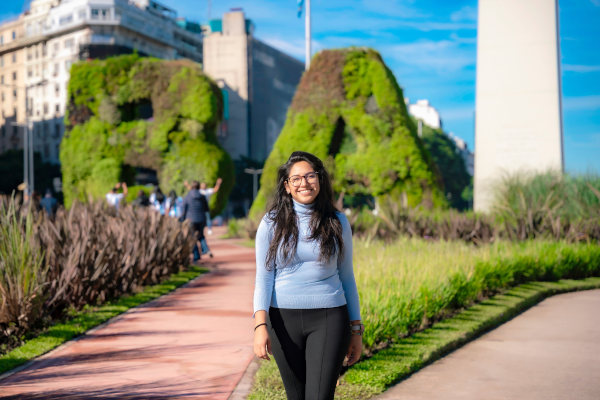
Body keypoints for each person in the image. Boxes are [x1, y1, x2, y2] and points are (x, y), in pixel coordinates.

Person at [253, 151, 363, 400]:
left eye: (310, 176)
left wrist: (356, 330)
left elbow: (347, 277)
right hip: (281, 320)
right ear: (287, 186)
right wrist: (260, 326)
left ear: (320, 180)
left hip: (329, 317)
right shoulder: (271, 223)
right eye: (296, 179)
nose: (304, 183)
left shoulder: (337, 222)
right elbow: (264, 277)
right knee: (296, 396)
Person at [180, 181, 212, 262]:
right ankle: (205, 249)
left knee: (192, 237)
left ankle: (196, 255)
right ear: (198, 187)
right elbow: (206, 209)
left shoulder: (188, 196)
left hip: (191, 219)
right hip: (201, 219)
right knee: (201, 235)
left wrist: (182, 220)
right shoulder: (202, 196)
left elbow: (184, 209)